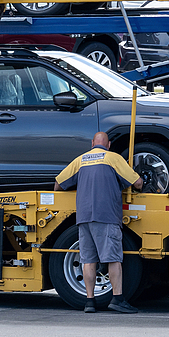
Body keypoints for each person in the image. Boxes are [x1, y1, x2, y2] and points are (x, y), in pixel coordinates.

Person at [55, 132, 143, 313]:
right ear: (108, 144)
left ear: (92, 143)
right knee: (113, 259)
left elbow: (58, 184)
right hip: (106, 216)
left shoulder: (80, 160)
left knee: (88, 260)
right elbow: (138, 183)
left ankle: (89, 302)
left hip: (84, 217)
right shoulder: (113, 158)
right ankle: (117, 299)